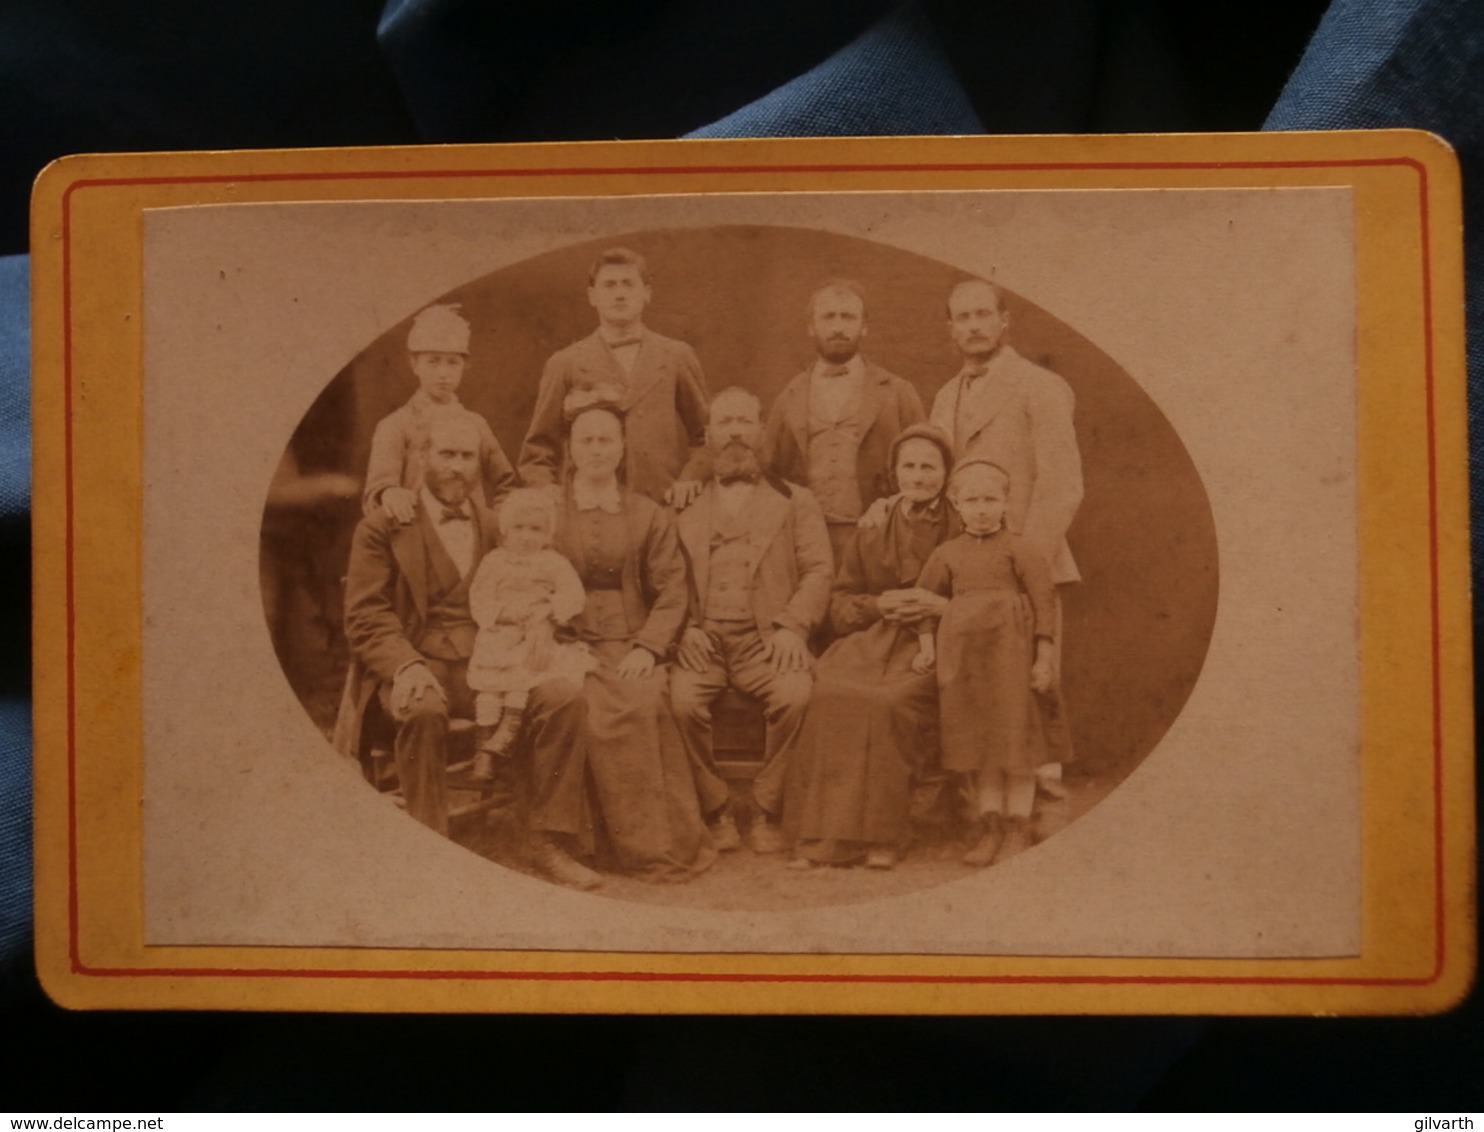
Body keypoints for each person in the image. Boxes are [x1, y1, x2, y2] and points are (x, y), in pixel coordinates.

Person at [333, 414, 598, 890]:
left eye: (467, 456)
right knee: (422, 710)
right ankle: (430, 847)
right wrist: (406, 665)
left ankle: (546, 840)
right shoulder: (382, 527)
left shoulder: (501, 525)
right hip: (417, 659)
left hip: (494, 659)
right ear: (421, 458)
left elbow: (547, 582)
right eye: (446, 455)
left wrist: (546, 621)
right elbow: (365, 615)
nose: (457, 467)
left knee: (562, 697)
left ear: (480, 463)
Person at [550, 393, 717, 880]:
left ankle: (653, 848)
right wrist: (553, 633)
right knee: (574, 703)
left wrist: (648, 646)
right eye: (587, 440)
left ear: (622, 448)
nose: (596, 450)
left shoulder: (648, 514)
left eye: (606, 440)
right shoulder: (550, 513)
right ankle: (584, 843)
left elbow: (672, 591)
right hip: (566, 640)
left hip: (630, 640)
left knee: (643, 702)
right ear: (571, 449)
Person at [929, 277, 1082, 799]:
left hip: (1026, 561)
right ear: (950, 328)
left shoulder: (1038, 386)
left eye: (981, 314)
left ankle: (1045, 801)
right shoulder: (947, 395)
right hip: (970, 571)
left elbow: (1062, 485)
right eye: (962, 318)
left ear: (1003, 320)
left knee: (1034, 687)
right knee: (982, 692)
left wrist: (1024, 563)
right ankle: (985, 803)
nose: (973, 326)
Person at [784, 423, 959, 870]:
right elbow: (840, 604)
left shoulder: (961, 525)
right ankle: (820, 836)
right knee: (828, 693)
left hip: (934, 645)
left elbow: (982, 595)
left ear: (946, 472)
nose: (918, 477)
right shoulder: (874, 524)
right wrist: (880, 604)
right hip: (869, 640)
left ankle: (883, 836)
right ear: (894, 471)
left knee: (887, 703)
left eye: (929, 467)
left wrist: (938, 606)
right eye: (909, 466)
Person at [670, 387, 834, 854]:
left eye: (745, 421)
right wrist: (683, 629)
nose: (736, 432)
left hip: (767, 640)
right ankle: (717, 809)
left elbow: (820, 570)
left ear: (761, 431)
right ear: (709, 436)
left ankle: (766, 808)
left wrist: (792, 626)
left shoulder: (795, 500)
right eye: (725, 423)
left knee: (797, 695)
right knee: (680, 703)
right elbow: (660, 577)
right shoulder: (683, 502)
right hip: (702, 641)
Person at [915, 460, 1069, 866]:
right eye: (972, 500)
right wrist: (926, 646)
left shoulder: (1021, 549)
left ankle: (1018, 825)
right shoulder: (947, 553)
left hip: (1012, 661)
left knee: (1016, 744)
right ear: (956, 504)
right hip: (966, 663)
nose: (981, 508)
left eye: (990, 499)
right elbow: (922, 604)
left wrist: (1044, 658)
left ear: (1006, 503)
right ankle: (991, 827)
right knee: (982, 746)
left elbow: (1044, 605)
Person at [518, 247, 710, 506]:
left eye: (628, 284)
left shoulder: (676, 356)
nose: (620, 294)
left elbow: (706, 435)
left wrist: (690, 478)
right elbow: (537, 453)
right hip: (589, 513)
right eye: (609, 285)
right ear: (592, 296)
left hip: (662, 507)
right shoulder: (565, 363)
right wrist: (547, 493)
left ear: (646, 294)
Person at [764, 279, 925, 563]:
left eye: (848, 317)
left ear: (864, 326)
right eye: (828, 317)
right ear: (811, 326)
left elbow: (928, 467)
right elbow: (768, 471)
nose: (838, 327)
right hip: (806, 540)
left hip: (880, 539)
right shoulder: (789, 397)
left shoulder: (898, 392)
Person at [466, 487, 597, 774]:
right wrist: (504, 613)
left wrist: (549, 610)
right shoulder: (494, 561)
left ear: (548, 534)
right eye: (519, 528)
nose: (526, 536)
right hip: (500, 636)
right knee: (488, 691)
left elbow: (573, 596)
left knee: (522, 680)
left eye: (536, 529)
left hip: (534, 637)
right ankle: (484, 752)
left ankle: (508, 732)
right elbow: (480, 598)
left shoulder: (553, 562)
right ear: (505, 530)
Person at [362, 302, 516, 522]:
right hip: (416, 537)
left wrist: (497, 523)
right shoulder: (395, 425)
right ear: (414, 364)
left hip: (471, 538)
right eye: (433, 362)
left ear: (465, 366)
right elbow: (377, 490)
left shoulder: (476, 424)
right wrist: (390, 493)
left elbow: (506, 483)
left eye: (452, 363)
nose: (443, 373)